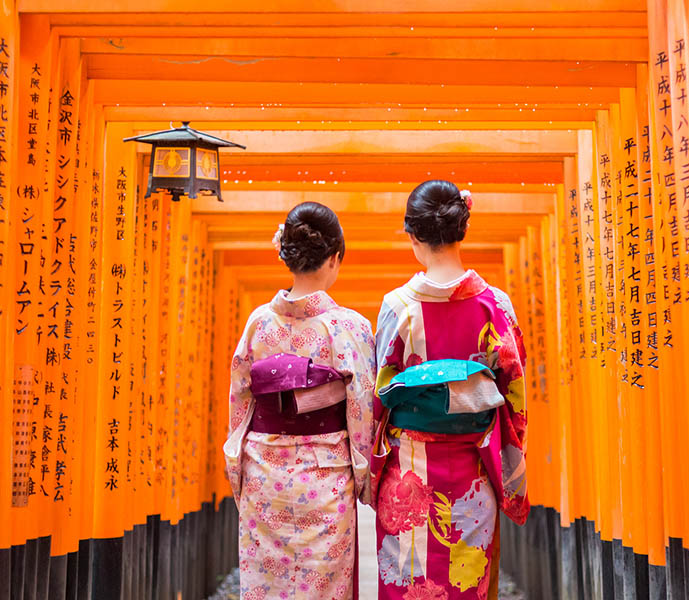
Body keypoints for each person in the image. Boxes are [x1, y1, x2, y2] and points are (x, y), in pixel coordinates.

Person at [370, 180, 529, 599]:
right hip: (472, 473)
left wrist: (370, 471)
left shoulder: (397, 307)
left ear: (413, 236)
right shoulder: (496, 305)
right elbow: (515, 401)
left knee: (409, 584)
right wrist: (508, 473)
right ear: (463, 227)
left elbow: (379, 397)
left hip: (408, 474)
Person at [224, 202, 376, 600]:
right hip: (325, 476)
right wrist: (365, 479)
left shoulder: (258, 323)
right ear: (335, 257)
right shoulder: (350, 327)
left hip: (263, 473)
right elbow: (361, 409)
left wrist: (237, 468)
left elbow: (240, 401)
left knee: (266, 585)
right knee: (323, 586)